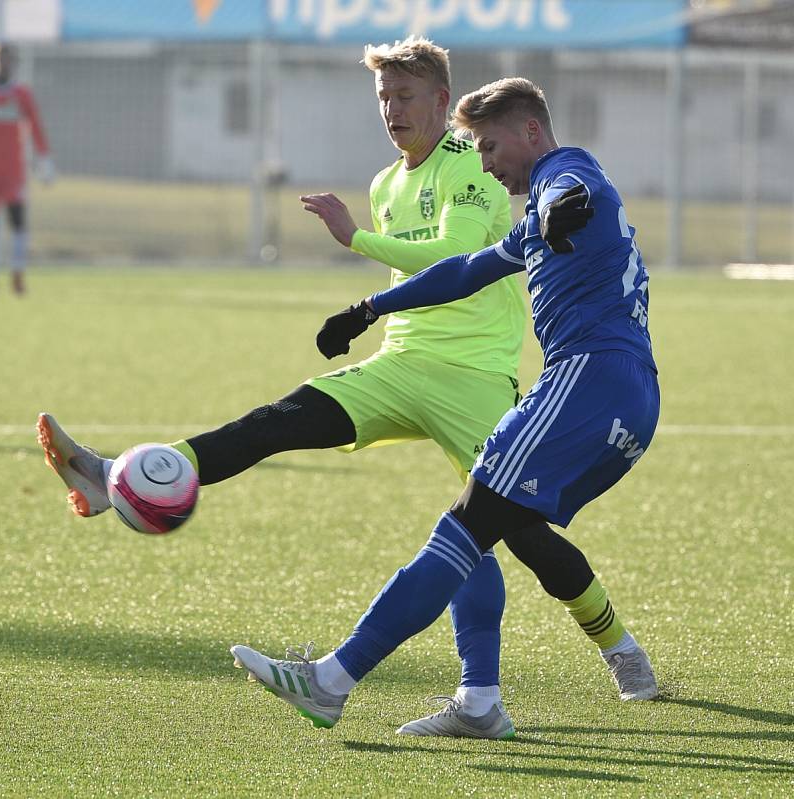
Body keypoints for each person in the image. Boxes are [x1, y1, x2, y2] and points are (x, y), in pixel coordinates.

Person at [38, 37, 527, 739]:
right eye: (384, 97)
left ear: (443, 103)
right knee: (281, 419)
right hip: (401, 365)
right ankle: (117, 475)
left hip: (476, 376)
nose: (392, 109)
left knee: (501, 534)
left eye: (406, 96)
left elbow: (455, 257)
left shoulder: (467, 167)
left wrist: (355, 242)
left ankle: (608, 649)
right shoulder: (388, 182)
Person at [229, 76, 661, 735]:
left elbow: (577, 192)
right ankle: (485, 699)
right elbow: (464, 270)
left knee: (464, 530)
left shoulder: (565, 173)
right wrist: (370, 306)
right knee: (477, 528)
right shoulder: (534, 221)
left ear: (531, 132)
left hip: (587, 382)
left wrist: (552, 209)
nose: (486, 163)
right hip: (628, 397)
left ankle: (332, 681)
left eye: (490, 146)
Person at [0, 43, 54, 295]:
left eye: (10, 59)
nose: (6, 63)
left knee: (18, 223)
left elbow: (36, 127)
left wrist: (44, 159)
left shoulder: (21, 95)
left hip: (13, 171)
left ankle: (17, 275)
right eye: (1, 58)